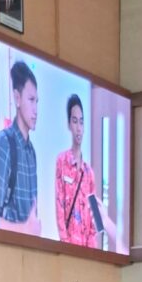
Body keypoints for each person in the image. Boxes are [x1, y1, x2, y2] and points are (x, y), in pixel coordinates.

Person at [0, 61, 40, 236]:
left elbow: (32, 217)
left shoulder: (31, 152)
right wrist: (25, 229)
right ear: (17, 98)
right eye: (31, 100)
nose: (36, 110)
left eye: (37, 101)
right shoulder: (4, 143)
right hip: (5, 248)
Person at [55, 95, 98, 248]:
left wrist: (91, 250)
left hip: (87, 250)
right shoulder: (62, 161)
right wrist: (66, 244)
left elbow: (95, 218)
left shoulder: (89, 172)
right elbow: (59, 207)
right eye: (74, 121)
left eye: (81, 122)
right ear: (69, 124)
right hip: (68, 247)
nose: (79, 128)